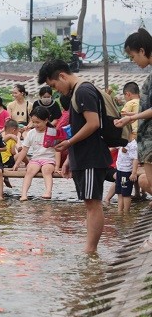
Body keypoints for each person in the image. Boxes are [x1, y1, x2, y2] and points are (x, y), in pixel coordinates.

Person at [38, 59, 112, 253]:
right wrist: (71, 157)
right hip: (83, 155)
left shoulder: (83, 91)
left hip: (91, 156)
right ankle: (89, 249)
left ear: (62, 76)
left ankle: (91, 250)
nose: (56, 90)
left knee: (93, 203)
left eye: (54, 85)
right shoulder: (76, 93)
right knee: (89, 203)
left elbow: (93, 123)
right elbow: (78, 127)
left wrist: (69, 144)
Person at [115, 28, 152, 212]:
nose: (133, 61)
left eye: (133, 56)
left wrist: (134, 117)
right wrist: (132, 117)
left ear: (142, 51)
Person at [12, 106, 61, 201]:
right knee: (29, 171)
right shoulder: (31, 133)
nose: (35, 124)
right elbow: (24, 150)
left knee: (46, 171)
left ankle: (48, 191)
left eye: (38, 122)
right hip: (36, 159)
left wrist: (57, 166)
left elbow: (57, 150)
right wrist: (17, 163)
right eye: (33, 122)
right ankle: (24, 194)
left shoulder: (52, 132)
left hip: (49, 159)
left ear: (46, 120)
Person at [114, 139, 139, 213]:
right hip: (119, 170)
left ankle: (126, 212)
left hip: (126, 172)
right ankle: (120, 210)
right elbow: (114, 146)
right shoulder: (122, 141)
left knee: (126, 193)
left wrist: (134, 172)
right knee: (119, 192)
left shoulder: (133, 145)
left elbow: (135, 159)